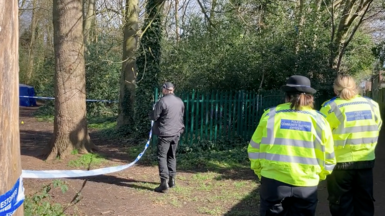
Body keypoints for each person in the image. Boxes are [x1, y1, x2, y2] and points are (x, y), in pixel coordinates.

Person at [248, 75, 336, 216]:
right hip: (306, 184)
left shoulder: (270, 116)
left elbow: (254, 148)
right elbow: (329, 156)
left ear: (287, 96)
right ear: (310, 97)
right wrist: (318, 176)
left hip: (272, 182)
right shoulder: (320, 120)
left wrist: (261, 173)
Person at [320, 74, 382, 216]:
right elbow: (377, 126)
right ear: (356, 88)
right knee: (365, 202)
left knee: (341, 204)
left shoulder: (330, 107)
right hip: (366, 161)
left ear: (336, 90)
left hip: (340, 164)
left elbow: (321, 136)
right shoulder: (372, 105)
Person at [149, 82, 185, 193]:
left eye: (162, 89)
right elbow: (181, 115)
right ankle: (172, 180)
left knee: (162, 156)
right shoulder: (180, 101)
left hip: (165, 133)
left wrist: (151, 112)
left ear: (165, 90)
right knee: (172, 156)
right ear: (172, 90)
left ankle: (164, 182)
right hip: (176, 133)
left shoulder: (162, 101)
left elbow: (155, 117)